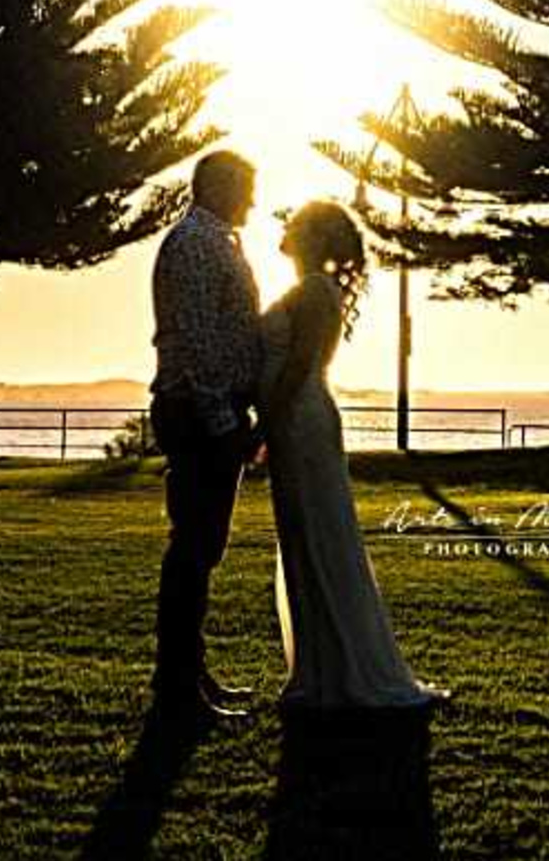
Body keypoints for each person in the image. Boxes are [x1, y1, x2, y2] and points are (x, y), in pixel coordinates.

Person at [262, 199, 445, 711]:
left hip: (301, 424)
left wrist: (265, 422)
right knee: (302, 538)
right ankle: (318, 670)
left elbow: (299, 367)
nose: (287, 226)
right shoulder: (307, 290)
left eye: (296, 223)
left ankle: (341, 673)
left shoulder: (316, 292)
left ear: (317, 239)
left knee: (319, 536)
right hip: (291, 425)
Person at [148, 150, 264, 721]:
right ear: (218, 186)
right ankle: (177, 687)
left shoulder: (215, 240)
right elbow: (193, 344)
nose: (254, 200)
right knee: (192, 549)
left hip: (212, 412)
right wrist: (223, 425)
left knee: (202, 548)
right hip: (199, 415)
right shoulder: (195, 243)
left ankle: (191, 674)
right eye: (246, 188)